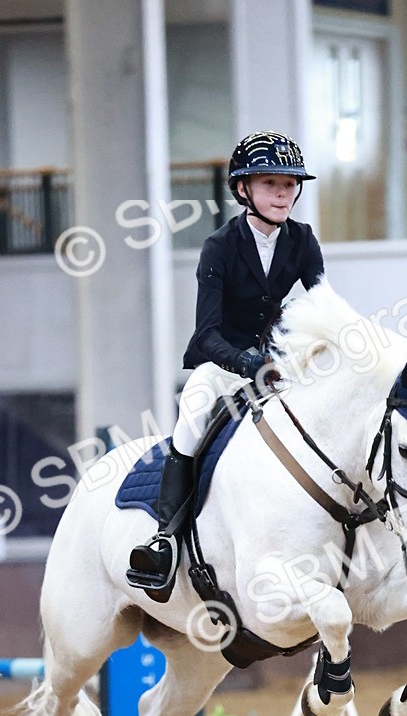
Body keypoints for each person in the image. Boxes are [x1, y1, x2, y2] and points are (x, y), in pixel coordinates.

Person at [127, 130, 324, 596]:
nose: (283, 193)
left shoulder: (302, 240)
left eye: (290, 184)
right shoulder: (219, 245)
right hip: (222, 365)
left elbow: (323, 305)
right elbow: (206, 333)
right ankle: (164, 539)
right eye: (271, 184)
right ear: (243, 189)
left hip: (276, 365)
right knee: (192, 418)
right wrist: (244, 361)